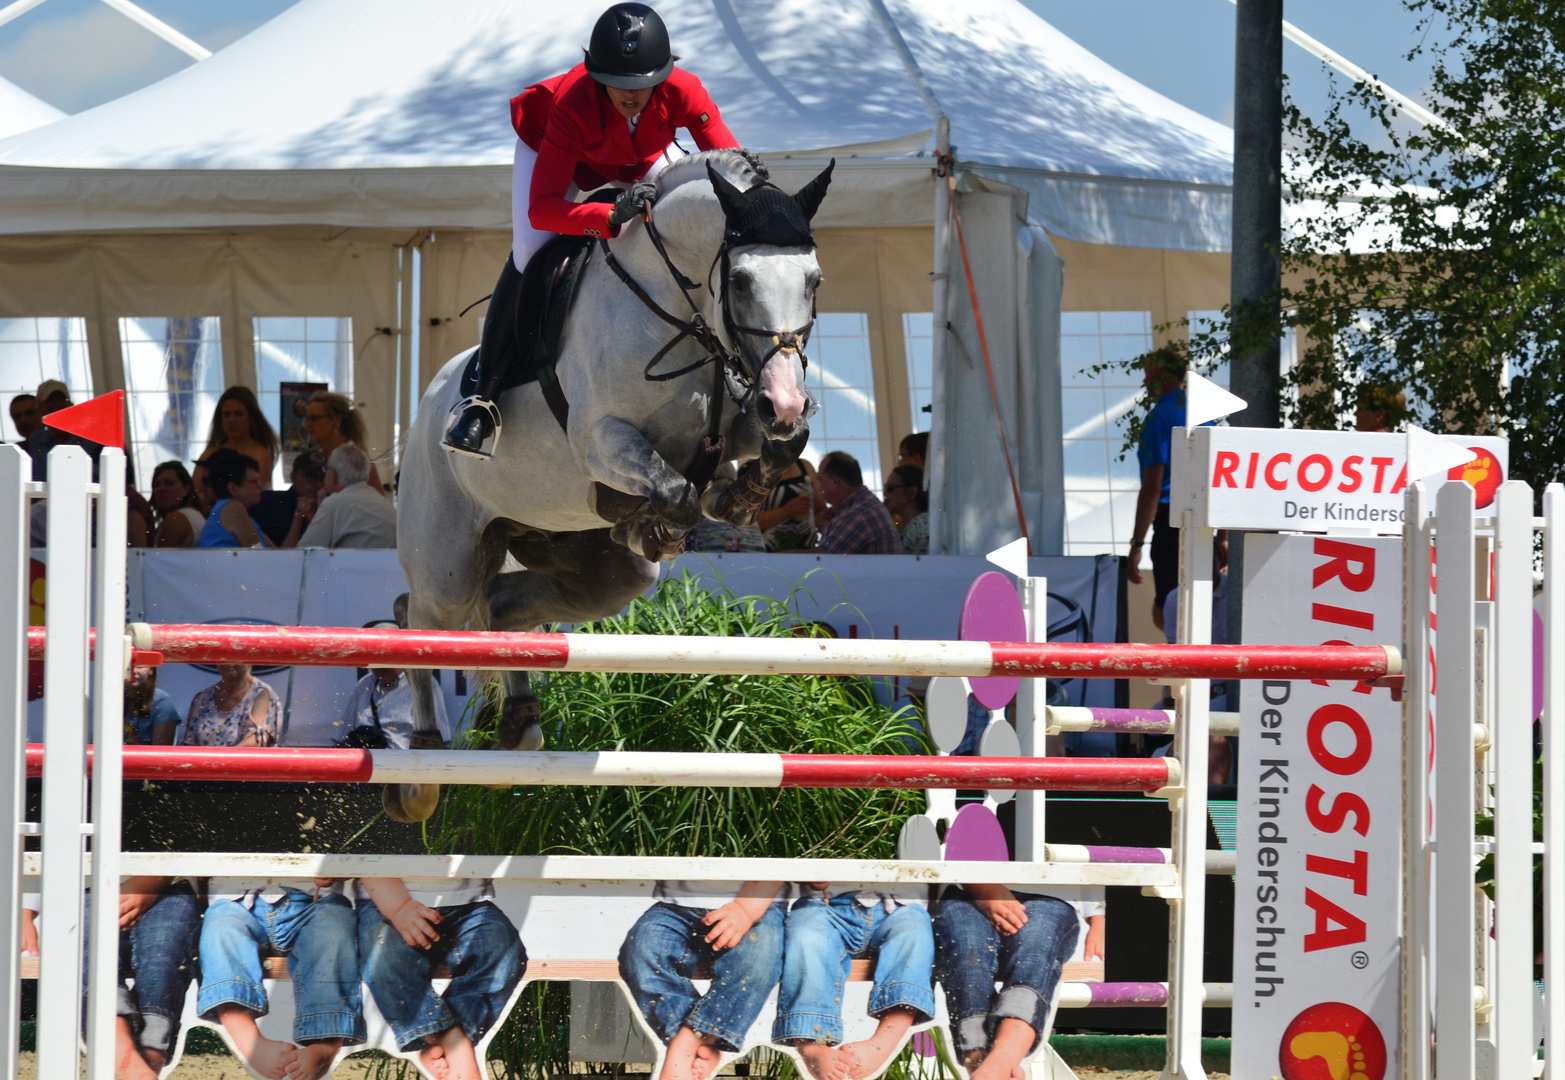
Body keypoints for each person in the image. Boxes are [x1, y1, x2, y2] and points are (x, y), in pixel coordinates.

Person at [442, 2, 741, 458]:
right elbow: (544, 209)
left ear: (664, 73)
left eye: (641, 83)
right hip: (555, 154)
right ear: (595, 73)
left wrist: (757, 203)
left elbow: (732, 170)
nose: (629, 94)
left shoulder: (686, 90)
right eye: (617, 83)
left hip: (637, 160)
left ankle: (737, 373)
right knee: (529, 252)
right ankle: (484, 396)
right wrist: (607, 218)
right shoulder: (573, 102)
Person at [23, 877, 202, 1080]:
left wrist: (151, 881)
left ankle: (145, 1064)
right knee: (92, 945)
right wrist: (23, 910)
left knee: (165, 947)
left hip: (169, 888)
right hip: (84, 886)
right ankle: (133, 1065)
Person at [355, 876, 525, 1080]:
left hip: (466, 903)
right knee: (383, 955)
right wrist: (398, 908)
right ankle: (452, 1041)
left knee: (501, 946)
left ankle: (440, 1037)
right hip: (384, 904)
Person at [198, 877, 362, 1080]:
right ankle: (247, 1039)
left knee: (333, 931)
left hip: (314, 902)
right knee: (221, 930)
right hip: (237, 902)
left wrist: (336, 872)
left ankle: (326, 1044)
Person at [619, 880, 786, 1080]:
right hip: (679, 903)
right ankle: (700, 1038)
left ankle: (687, 1042)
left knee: (759, 955)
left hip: (759, 906)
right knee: (642, 947)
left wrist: (746, 910)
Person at [931, 887, 1104, 1080]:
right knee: (967, 950)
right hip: (965, 891)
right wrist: (983, 888)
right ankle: (985, 1063)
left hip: (1050, 894)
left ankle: (998, 1063)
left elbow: (1090, 868)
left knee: (1035, 948)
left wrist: (1098, 918)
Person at [772, 883, 934, 1080]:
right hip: (824, 904)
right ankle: (811, 1044)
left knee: (914, 934)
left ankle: (884, 1041)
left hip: (900, 903)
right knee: (807, 937)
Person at [1127, 356, 1203, 632]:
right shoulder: (1203, 412)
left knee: (1167, 610)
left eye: (1150, 375)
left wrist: (1137, 544)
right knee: (1203, 602)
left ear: (1164, 376)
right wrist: (1225, 539)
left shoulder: (1158, 417)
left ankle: (1182, 667)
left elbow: (1153, 486)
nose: (1145, 381)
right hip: (1207, 520)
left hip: (1172, 522)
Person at [337, 632, 453, 749]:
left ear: (401, 657)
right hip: (364, 762)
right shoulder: (365, 684)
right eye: (375, 660)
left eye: (386, 659)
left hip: (403, 763)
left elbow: (441, 741)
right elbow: (342, 735)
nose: (381, 666)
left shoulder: (423, 684)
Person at [293, 444, 398, 549]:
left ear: (333, 477)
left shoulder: (334, 504)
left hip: (357, 565)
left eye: (326, 470)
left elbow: (304, 552)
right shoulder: (383, 502)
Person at [194, 387, 280, 495]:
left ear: (251, 417)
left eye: (238, 414)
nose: (232, 420)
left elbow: (249, 493)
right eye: (227, 414)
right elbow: (196, 493)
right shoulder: (208, 455)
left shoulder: (260, 453)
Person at [815, 453, 901, 555]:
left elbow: (821, 559)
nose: (819, 488)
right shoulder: (863, 505)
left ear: (835, 481)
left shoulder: (859, 514)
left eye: (820, 481)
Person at [178, 663, 279, 748]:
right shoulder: (202, 697)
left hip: (242, 768)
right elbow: (189, 742)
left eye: (236, 654)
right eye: (223, 655)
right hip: (204, 767)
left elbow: (255, 741)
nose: (229, 661)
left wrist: (219, 763)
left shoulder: (262, 694)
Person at [304, 391, 384, 494]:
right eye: (308, 419)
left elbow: (378, 498)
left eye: (315, 418)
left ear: (337, 420)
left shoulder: (356, 456)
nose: (308, 424)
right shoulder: (317, 456)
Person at [251, 450, 326, 547]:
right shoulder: (269, 503)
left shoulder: (331, 508)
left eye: (323, 477)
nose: (318, 484)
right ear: (293, 477)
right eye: (311, 477)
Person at [197, 453, 271, 549]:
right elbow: (258, 553)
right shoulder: (232, 508)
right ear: (233, 488)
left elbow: (278, 552)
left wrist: (297, 518)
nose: (261, 487)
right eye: (254, 481)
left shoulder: (244, 517)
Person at [756, 459, 822, 551]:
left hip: (807, 554)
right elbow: (746, 524)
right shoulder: (752, 470)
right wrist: (785, 511)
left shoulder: (804, 465)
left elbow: (820, 510)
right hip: (768, 557)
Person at [148, 461, 208, 548]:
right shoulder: (195, 515)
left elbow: (160, 559)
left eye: (169, 483)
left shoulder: (176, 518)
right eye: (156, 485)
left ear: (186, 489)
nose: (161, 489)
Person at [124, 663, 181, 745]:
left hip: (144, 757)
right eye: (128, 667)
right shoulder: (107, 701)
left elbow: (161, 754)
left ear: (151, 670)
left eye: (140, 666)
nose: (133, 671)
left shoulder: (162, 704)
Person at [882, 465, 927, 556]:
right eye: (885, 487)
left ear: (912, 492)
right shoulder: (912, 527)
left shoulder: (920, 527)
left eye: (890, 488)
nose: (884, 493)